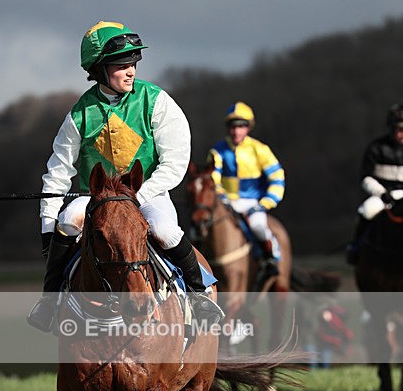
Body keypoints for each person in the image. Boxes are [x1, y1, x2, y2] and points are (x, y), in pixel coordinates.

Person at [28, 20, 223, 332]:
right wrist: (47, 225)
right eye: (121, 65)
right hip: (96, 199)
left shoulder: (157, 101)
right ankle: (50, 301)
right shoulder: (79, 114)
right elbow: (57, 174)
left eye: (133, 63)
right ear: (99, 69)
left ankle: (199, 296)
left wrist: (136, 196)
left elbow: (174, 164)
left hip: (149, 194)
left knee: (164, 229)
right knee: (66, 224)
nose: (131, 71)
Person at [207, 102, 285, 275]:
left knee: (258, 226)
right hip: (225, 202)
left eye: (241, 126)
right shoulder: (217, 151)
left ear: (248, 128)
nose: (236, 131)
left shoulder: (260, 149)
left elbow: (277, 177)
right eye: (233, 127)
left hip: (253, 203)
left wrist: (266, 202)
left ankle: (271, 257)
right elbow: (213, 179)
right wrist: (222, 197)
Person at [346, 103, 403, 264]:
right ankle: (356, 248)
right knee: (367, 211)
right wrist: (382, 193)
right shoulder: (377, 148)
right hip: (383, 197)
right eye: (400, 129)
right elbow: (366, 177)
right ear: (392, 128)